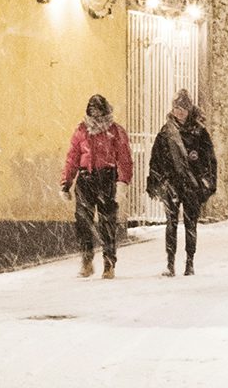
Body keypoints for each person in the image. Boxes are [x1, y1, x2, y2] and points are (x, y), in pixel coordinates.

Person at [147, 88, 217, 278]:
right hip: (172, 184)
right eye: (177, 108)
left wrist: (206, 182)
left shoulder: (199, 133)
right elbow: (156, 158)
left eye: (183, 108)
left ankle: (189, 262)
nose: (180, 112)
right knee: (171, 224)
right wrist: (156, 180)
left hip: (192, 185)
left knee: (190, 224)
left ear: (189, 109)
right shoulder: (166, 132)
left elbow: (209, 160)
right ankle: (170, 263)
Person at [61, 93, 132, 278]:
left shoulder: (115, 131)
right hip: (85, 180)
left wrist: (122, 182)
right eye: (91, 110)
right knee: (83, 221)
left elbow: (124, 159)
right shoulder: (82, 131)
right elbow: (73, 158)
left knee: (107, 223)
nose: (95, 114)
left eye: (98, 110)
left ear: (105, 111)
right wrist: (66, 182)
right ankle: (86, 261)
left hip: (106, 179)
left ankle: (109, 264)